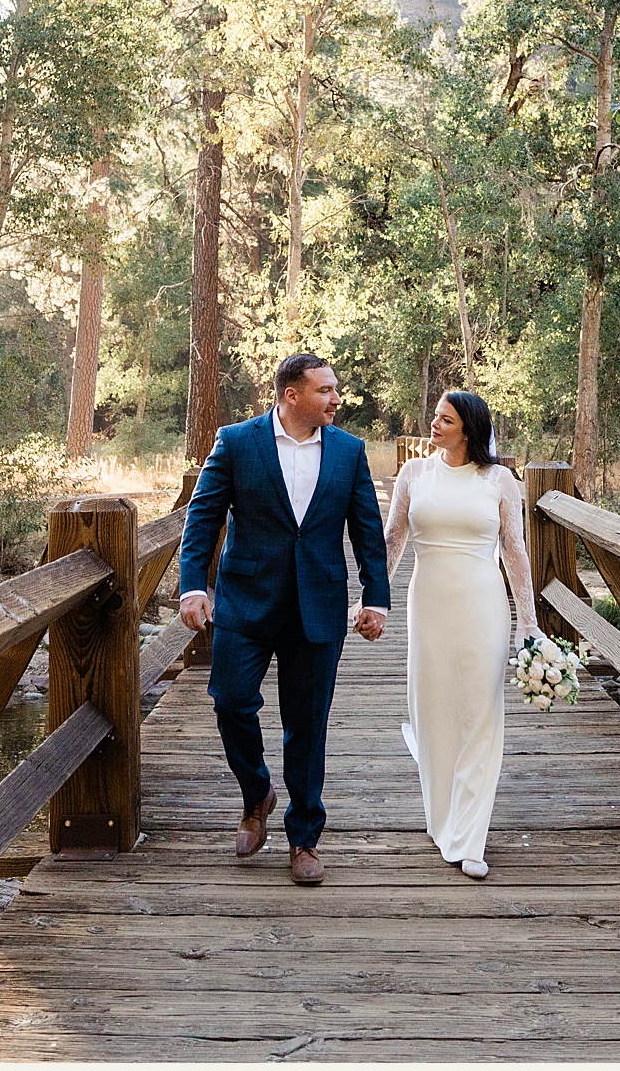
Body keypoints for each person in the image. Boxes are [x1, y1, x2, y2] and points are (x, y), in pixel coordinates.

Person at [176, 353, 391, 885]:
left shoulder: (349, 451)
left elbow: (367, 529)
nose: (336, 398)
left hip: (317, 606)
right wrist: (193, 587)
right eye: (325, 390)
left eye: (335, 388)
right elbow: (202, 518)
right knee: (229, 702)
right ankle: (257, 794)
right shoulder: (237, 441)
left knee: (307, 725)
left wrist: (377, 598)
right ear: (291, 395)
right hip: (245, 602)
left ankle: (304, 838)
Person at [384, 389, 535, 879]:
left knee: (479, 711)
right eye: (434, 417)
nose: (434, 425)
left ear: (468, 428)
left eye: (444, 419)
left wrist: (527, 624)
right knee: (433, 713)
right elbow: (393, 541)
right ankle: (442, 817)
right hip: (428, 604)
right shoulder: (414, 475)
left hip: (482, 604)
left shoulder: (499, 480)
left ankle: (470, 838)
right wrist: (373, 599)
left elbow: (514, 552)